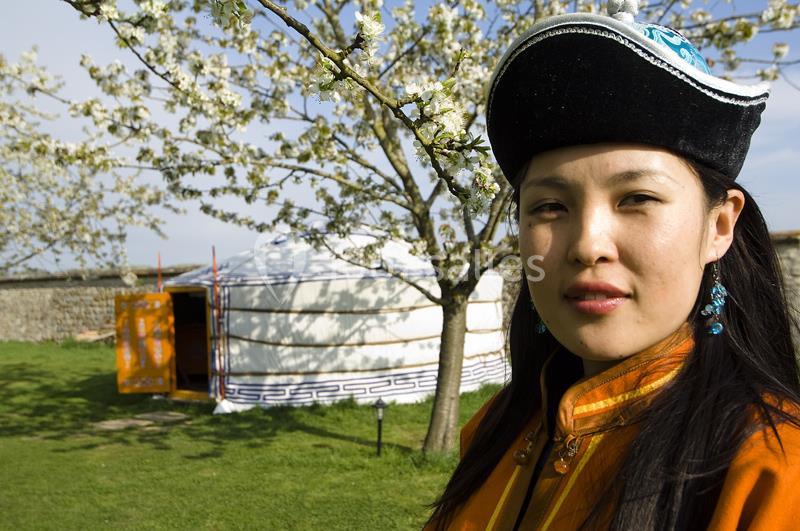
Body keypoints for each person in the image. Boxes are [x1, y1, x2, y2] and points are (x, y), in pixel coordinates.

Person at [425, 2, 800, 530]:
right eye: (550, 206)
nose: (586, 245)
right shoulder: (496, 431)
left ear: (718, 227)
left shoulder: (773, 471)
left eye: (636, 198)